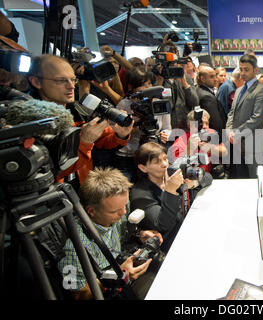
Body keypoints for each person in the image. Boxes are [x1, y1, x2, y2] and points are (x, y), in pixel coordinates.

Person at [27, 54, 133, 186]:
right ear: (36, 82)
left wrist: (120, 134)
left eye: (73, 80)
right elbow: (51, 170)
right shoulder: (29, 123)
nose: (71, 86)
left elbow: (105, 141)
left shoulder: (79, 110)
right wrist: (84, 142)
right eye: (61, 81)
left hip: (82, 187)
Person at [57, 167, 162, 300]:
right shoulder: (73, 247)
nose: (124, 212)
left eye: (125, 205)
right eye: (115, 211)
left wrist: (140, 234)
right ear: (91, 211)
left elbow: (123, 231)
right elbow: (77, 294)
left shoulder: (117, 210)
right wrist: (116, 276)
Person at [130, 142, 210, 253]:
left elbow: (206, 177)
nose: (164, 164)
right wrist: (171, 191)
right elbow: (163, 224)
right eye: (157, 162)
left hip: (191, 231)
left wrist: (193, 183)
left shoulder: (172, 173)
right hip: (169, 246)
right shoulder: (140, 193)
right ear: (143, 168)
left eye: (165, 159)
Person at [113, 67, 171, 182]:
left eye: (149, 83)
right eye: (143, 84)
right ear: (131, 87)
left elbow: (167, 128)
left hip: (153, 156)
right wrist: (131, 128)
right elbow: (113, 132)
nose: (148, 88)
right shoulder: (124, 105)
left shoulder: (160, 104)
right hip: (128, 157)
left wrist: (165, 134)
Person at [226, 54, 263, 179]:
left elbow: (257, 117)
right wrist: (229, 130)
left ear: (255, 70)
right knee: (240, 180)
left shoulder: (262, 89)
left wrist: (236, 133)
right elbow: (232, 113)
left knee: (255, 181)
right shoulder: (239, 90)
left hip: (254, 145)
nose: (243, 73)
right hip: (237, 144)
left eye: (246, 69)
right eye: (241, 69)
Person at [169, 109, 227, 175]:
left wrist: (211, 149)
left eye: (207, 123)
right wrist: (189, 150)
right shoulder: (181, 141)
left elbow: (224, 151)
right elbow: (175, 168)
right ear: (190, 125)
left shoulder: (211, 133)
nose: (204, 127)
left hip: (210, 176)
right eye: (201, 124)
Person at [196, 65, 227, 135]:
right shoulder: (207, 97)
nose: (216, 79)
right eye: (212, 77)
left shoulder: (199, 90)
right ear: (203, 79)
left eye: (215, 76)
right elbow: (216, 122)